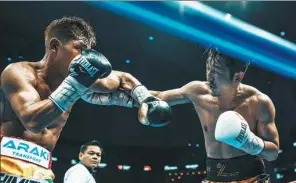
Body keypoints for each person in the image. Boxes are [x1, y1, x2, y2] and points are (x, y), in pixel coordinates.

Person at [0, 16, 171, 183]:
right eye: (79, 49)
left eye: (87, 53)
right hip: (4, 163)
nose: (84, 58)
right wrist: (76, 84)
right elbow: (32, 122)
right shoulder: (18, 73)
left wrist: (145, 99)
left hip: (41, 170)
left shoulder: (82, 80)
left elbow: (123, 79)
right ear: (54, 46)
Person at [141, 48, 280, 183]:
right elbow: (158, 97)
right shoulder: (197, 92)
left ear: (237, 76)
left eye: (217, 73)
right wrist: (133, 92)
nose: (209, 77)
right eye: (208, 69)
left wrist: (249, 142)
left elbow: (273, 153)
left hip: (252, 178)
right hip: (213, 178)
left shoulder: (258, 103)